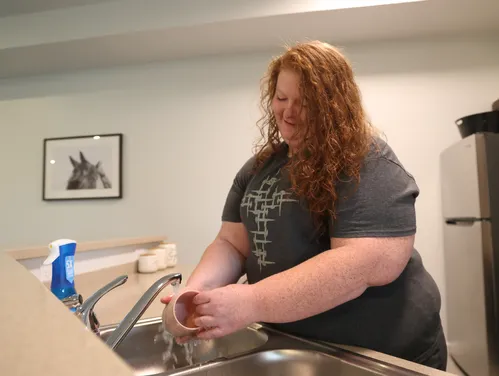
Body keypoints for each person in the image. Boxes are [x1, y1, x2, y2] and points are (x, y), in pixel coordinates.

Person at [161, 40, 447, 371]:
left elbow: (361, 265)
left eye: (305, 103)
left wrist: (250, 302)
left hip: (379, 355)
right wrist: (196, 293)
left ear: (336, 106)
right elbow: (231, 244)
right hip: (297, 347)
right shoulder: (259, 168)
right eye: (281, 98)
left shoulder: (370, 163)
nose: (288, 112)